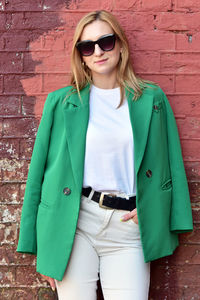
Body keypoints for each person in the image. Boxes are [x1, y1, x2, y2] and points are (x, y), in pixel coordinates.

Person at [16, 10, 193, 300]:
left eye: (106, 42)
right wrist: (42, 246)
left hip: (130, 225)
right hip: (75, 224)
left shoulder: (151, 98)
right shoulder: (61, 103)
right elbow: (38, 174)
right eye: (87, 46)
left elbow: (171, 163)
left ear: (120, 45)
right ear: (81, 56)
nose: (98, 51)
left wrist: (156, 211)